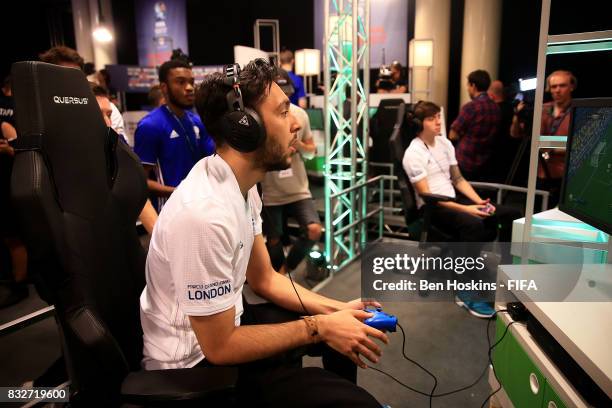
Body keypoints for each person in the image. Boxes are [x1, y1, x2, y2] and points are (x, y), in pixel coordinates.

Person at [140, 59, 386, 407]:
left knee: (342, 331)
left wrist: (338, 310)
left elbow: (265, 279)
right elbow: (220, 346)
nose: (296, 125)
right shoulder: (203, 215)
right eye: (284, 112)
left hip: (227, 325)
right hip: (195, 366)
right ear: (245, 127)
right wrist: (318, 326)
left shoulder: (242, 185)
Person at [403, 101, 521, 318]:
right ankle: (465, 291)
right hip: (433, 209)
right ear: (419, 124)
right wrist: (468, 211)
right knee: (474, 225)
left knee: (511, 214)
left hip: (452, 201)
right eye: (431, 118)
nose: (438, 121)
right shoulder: (413, 154)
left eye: (438, 116)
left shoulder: (445, 144)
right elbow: (428, 196)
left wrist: (480, 203)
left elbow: (457, 178)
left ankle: (508, 273)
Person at [260, 68, 321, 276]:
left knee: (314, 229)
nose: (283, 96)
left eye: (286, 91)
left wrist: (298, 144)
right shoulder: (263, 115)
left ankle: (285, 271)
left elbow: (312, 153)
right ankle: (277, 277)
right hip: (271, 190)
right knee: (273, 237)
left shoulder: (300, 115)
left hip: (298, 187)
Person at [134, 59, 215, 211]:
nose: (190, 88)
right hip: (169, 212)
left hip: (201, 207)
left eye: (191, 81)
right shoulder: (150, 125)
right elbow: (140, 181)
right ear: (164, 88)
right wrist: (179, 193)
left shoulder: (197, 121)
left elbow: (212, 160)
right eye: (181, 82)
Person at [90, 83, 158, 235]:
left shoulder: (118, 147)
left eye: (108, 115)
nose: (108, 123)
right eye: (97, 114)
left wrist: (163, 243)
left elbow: (137, 193)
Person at [449, 70, 501, 181]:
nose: (467, 89)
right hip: (485, 163)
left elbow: (452, 135)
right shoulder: (496, 107)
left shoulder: (470, 107)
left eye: (468, 85)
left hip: (465, 162)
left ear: (473, 85)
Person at [488, 80, 519, 182]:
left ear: (491, 95)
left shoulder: (491, 112)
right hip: (512, 155)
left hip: (493, 157)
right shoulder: (512, 109)